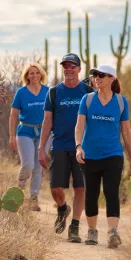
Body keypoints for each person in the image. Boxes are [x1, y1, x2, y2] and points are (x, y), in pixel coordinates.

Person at [75, 64, 131, 248]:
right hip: (89, 155)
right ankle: (92, 231)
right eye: (94, 75)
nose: (97, 78)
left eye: (102, 75)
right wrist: (78, 147)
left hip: (113, 154)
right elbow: (79, 127)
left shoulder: (121, 102)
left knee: (111, 192)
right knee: (92, 194)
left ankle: (112, 233)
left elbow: (126, 132)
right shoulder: (86, 100)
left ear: (112, 79)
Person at [38, 53, 93, 242]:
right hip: (60, 145)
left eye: (72, 66)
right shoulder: (53, 93)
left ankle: (75, 227)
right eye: (65, 66)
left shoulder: (87, 91)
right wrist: (41, 148)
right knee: (55, 188)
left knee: (81, 188)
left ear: (79, 69)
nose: (68, 69)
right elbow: (47, 121)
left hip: (83, 148)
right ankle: (62, 208)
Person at [9, 62, 49, 211]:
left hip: (43, 133)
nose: (34, 75)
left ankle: (33, 199)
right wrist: (12, 136)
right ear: (27, 76)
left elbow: (54, 113)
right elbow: (13, 115)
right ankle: (19, 190)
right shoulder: (21, 92)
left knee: (38, 167)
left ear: (41, 75)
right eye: (31, 73)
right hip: (25, 131)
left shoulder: (48, 91)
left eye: (37, 72)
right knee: (28, 165)